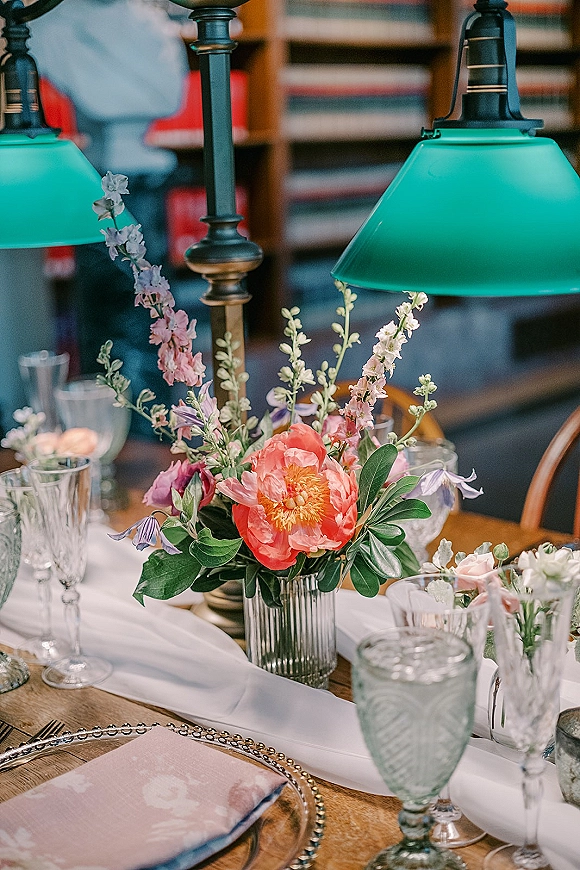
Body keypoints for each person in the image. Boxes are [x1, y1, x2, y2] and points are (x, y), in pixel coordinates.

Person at [30, 0, 189, 432]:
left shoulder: (154, 27)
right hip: (105, 170)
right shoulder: (48, 24)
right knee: (112, 334)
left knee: (149, 328)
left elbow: (167, 94)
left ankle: (150, 446)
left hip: (136, 172)